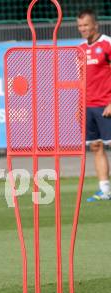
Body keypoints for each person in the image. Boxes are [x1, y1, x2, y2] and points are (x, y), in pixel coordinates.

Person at [77, 9, 111, 201]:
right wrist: (79, 106)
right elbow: (81, 80)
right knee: (96, 146)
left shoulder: (107, 44)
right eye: (80, 26)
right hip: (88, 106)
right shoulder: (80, 49)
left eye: (86, 25)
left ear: (95, 25)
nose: (83, 29)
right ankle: (105, 189)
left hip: (106, 105)